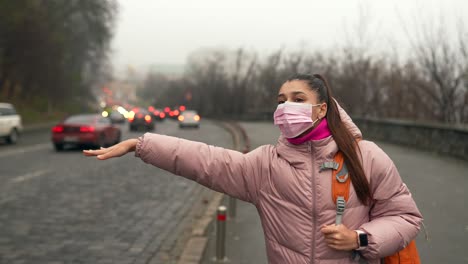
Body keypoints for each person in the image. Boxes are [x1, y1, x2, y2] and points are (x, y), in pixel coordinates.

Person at [84, 74, 423, 264]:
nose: (285, 106)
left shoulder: (366, 156)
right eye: (280, 99)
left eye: (297, 98)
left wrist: (361, 238)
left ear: (321, 110)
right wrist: (141, 145)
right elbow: (206, 160)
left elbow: (406, 217)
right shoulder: (264, 164)